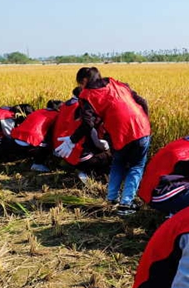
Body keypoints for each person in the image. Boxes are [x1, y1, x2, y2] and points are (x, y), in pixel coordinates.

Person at [55, 67, 151, 216]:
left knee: (120, 162)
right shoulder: (118, 84)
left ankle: (117, 200)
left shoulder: (87, 95)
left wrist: (72, 140)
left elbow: (88, 123)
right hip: (142, 129)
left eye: (80, 83)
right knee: (136, 165)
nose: (80, 87)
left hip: (119, 133)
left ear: (85, 81)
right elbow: (142, 102)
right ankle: (125, 202)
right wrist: (145, 120)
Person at [52, 87, 112, 181]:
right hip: (81, 157)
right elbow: (98, 144)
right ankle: (89, 173)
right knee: (109, 155)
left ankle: (80, 168)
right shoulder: (87, 124)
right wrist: (108, 148)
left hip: (66, 152)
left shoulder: (70, 110)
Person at [11, 99, 63, 172]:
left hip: (17, 135)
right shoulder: (56, 115)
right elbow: (54, 132)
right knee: (47, 144)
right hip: (32, 139)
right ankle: (38, 164)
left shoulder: (39, 111)